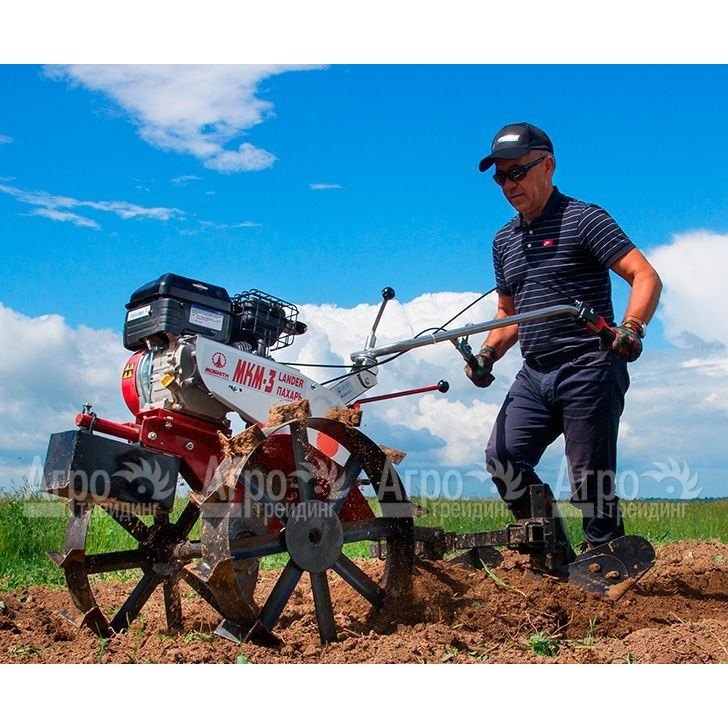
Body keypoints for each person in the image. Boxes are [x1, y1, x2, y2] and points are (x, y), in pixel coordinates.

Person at [466, 122, 662, 554]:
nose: (508, 184)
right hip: (535, 373)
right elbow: (509, 314)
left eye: (517, 172)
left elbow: (645, 275)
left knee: (590, 480)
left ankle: (605, 558)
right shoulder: (503, 241)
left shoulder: (584, 219)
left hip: (589, 365)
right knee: (503, 458)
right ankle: (551, 551)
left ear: (548, 166)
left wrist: (632, 327)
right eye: (501, 177)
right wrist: (488, 353)